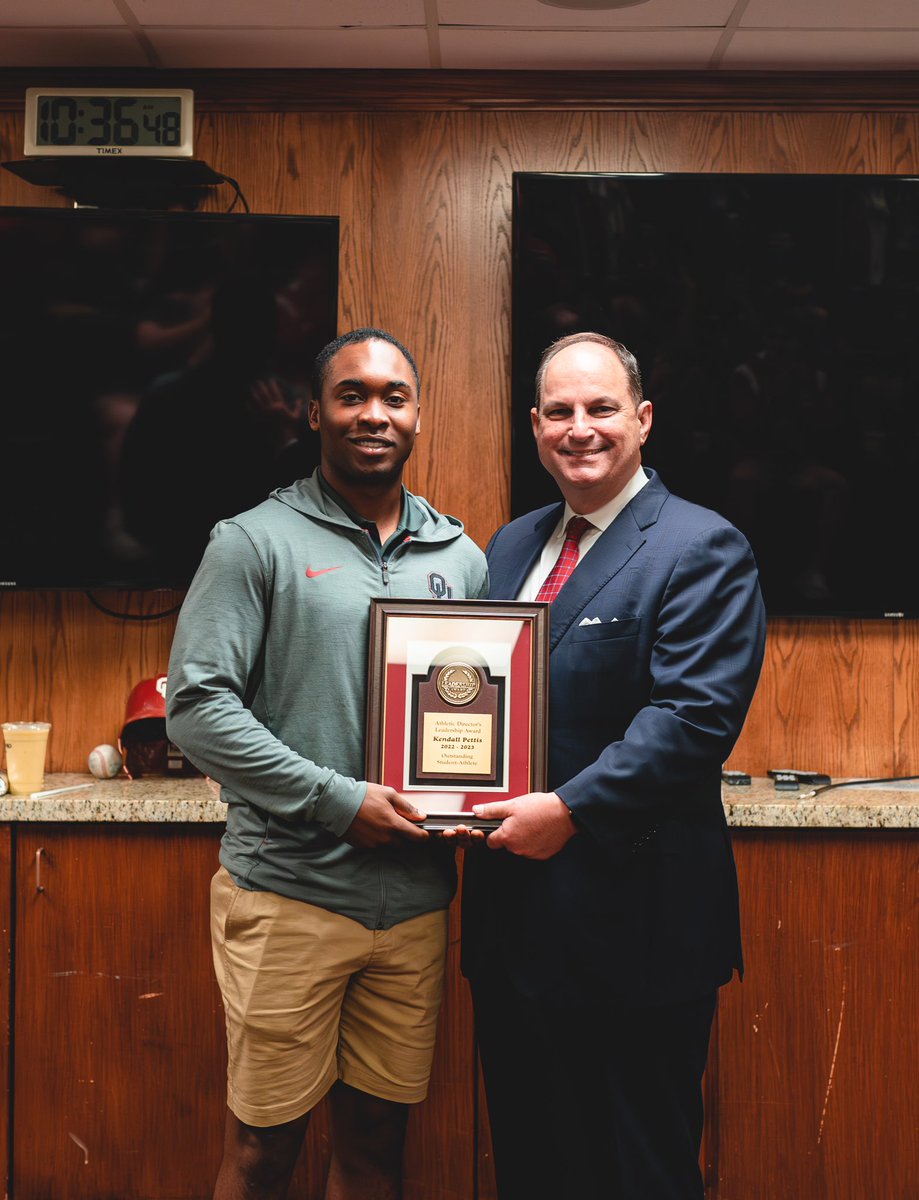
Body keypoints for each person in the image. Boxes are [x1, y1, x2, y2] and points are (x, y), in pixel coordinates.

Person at [166, 327, 488, 1200]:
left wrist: (477, 801)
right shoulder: (252, 540)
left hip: (415, 906)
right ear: (315, 413)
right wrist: (337, 801)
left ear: (417, 415)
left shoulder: (461, 558)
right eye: (351, 395)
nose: (372, 413)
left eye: (392, 395)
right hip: (289, 897)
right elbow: (194, 709)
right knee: (265, 1154)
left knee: (379, 1149)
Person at [458, 332, 766, 1200]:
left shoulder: (700, 545)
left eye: (600, 409)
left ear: (642, 419)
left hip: (637, 931)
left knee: (638, 1171)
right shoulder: (512, 547)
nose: (579, 428)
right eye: (559, 412)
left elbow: (692, 717)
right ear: (534, 426)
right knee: (531, 1164)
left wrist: (569, 810)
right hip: (514, 927)